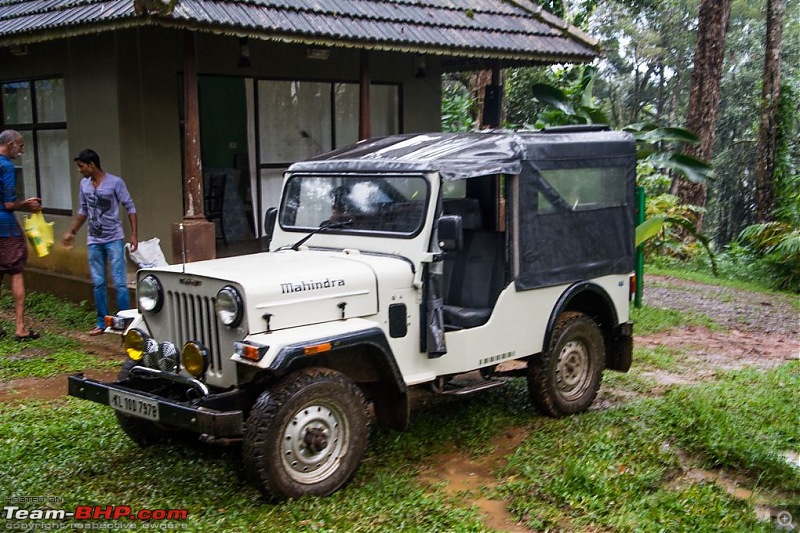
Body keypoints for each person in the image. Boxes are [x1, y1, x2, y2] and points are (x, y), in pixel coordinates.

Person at [62, 149, 138, 336]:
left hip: (113, 239)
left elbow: (130, 206)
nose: (79, 170)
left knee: (120, 283)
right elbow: (84, 210)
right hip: (94, 240)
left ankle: (126, 322)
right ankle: (102, 322)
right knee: (98, 283)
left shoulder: (115, 182)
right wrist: (72, 231)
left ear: (92, 165)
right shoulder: (84, 185)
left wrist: (134, 234)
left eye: (81, 166)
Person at [0, 129, 42, 341]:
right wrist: (26, 203)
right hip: (5, 227)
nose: (22, 150)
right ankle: (20, 327)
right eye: (20, 145)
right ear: (9, 145)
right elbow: (8, 204)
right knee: (16, 270)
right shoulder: (6, 166)